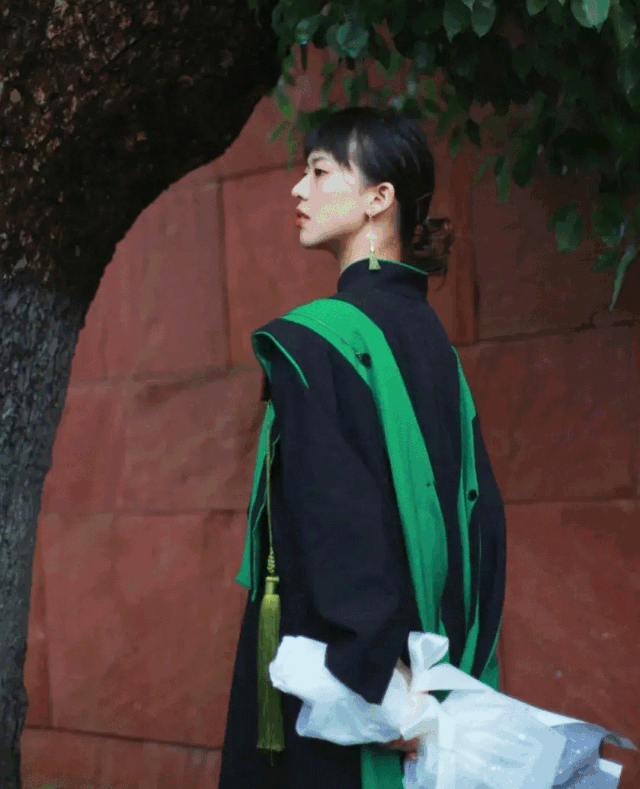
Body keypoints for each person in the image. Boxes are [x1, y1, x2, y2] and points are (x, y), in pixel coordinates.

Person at [218, 106, 506, 789]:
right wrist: (437, 681)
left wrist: (379, 681)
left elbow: (337, 517)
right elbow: (483, 521)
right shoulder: (434, 344)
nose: (299, 188)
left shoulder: (316, 339)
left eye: (320, 172)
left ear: (380, 198)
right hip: (435, 671)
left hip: (344, 691)